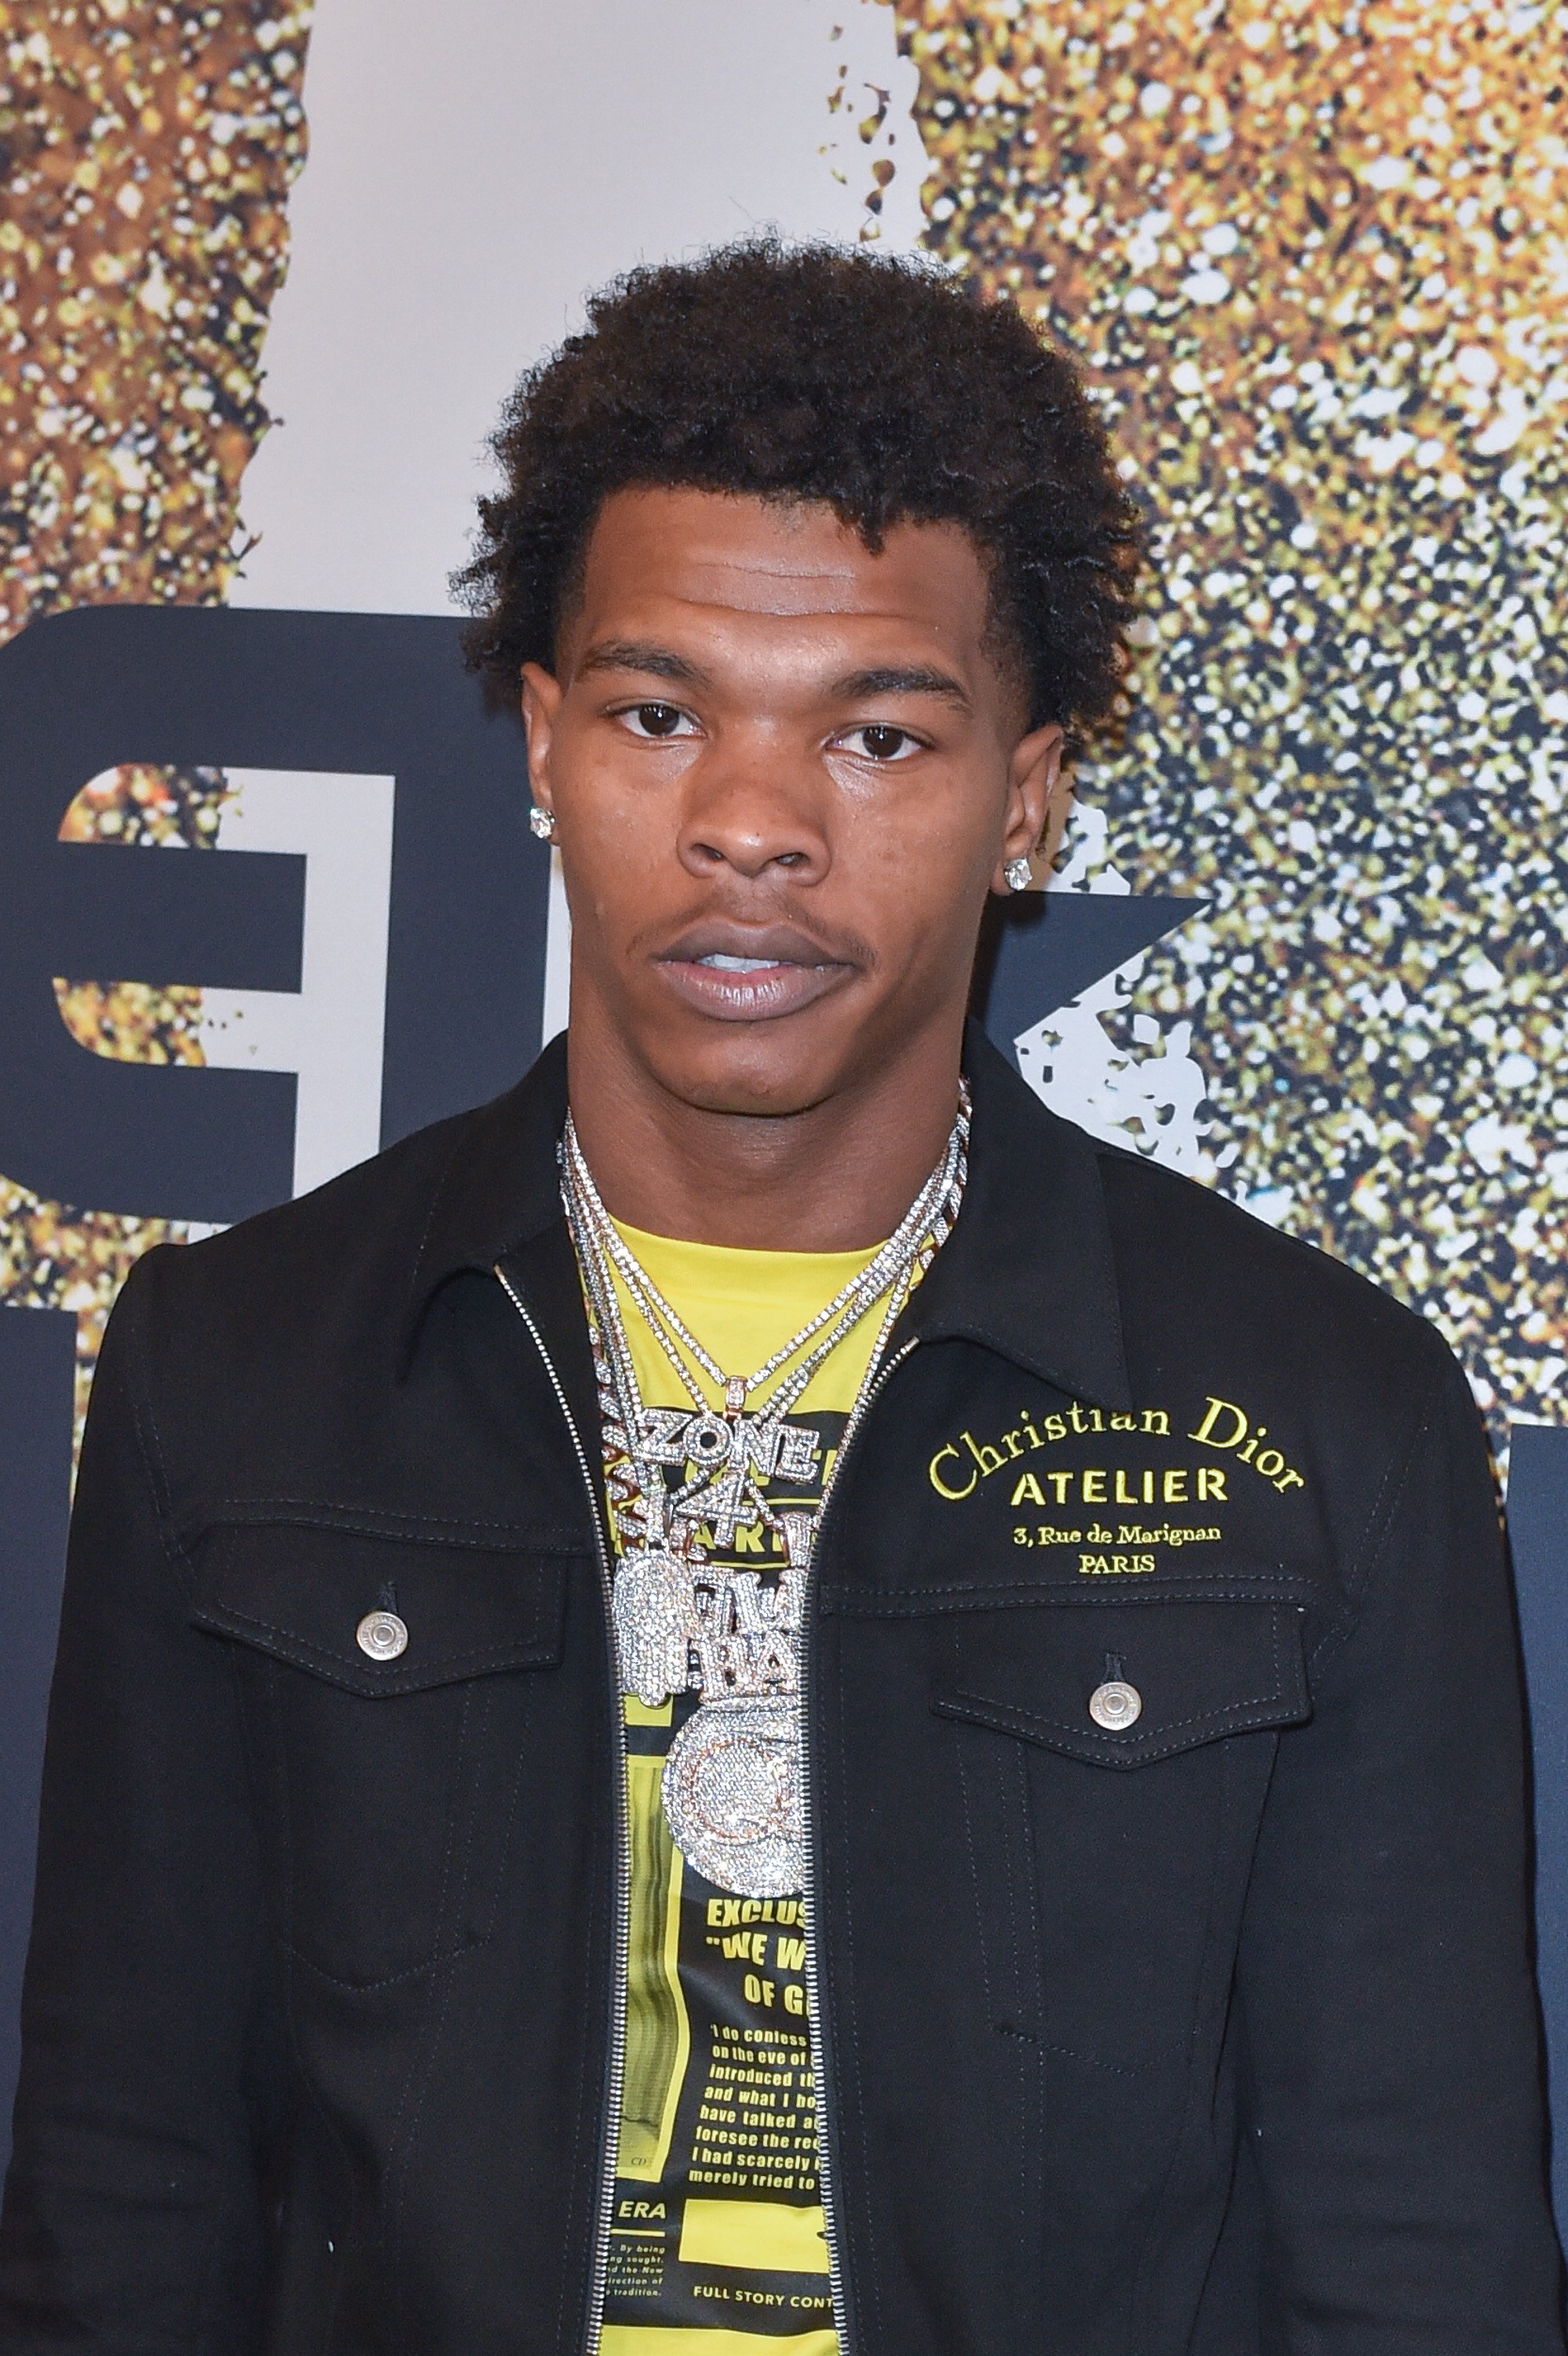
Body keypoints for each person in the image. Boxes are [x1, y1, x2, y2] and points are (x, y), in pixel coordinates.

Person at [0, 240, 1559, 2356]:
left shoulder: (1321, 1419)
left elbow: (1417, 2246)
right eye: (660, 715)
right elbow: (126, 2192)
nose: (751, 826)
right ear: (542, 743)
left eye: (880, 738)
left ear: (1026, 799)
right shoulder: (240, 1371)